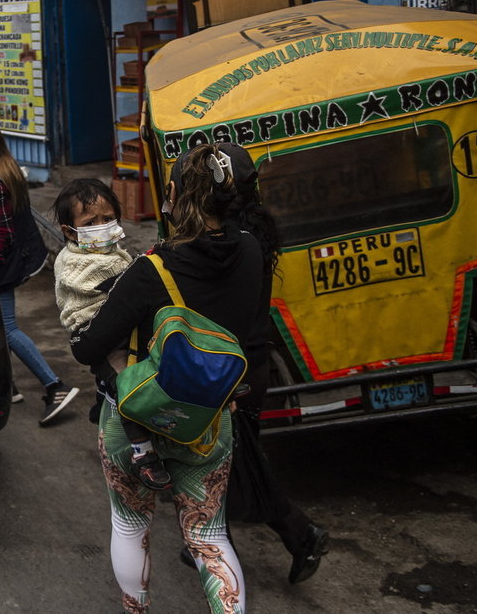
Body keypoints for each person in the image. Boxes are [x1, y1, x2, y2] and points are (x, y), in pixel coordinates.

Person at [71, 144, 258, 614]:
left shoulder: (152, 270)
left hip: (137, 418)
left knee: (131, 525)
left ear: (175, 195)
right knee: (209, 535)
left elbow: (89, 349)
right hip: (212, 419)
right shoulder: (252, 252)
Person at [214, 141, 330, 584]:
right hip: (251, 362)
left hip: (233, 369)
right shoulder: (255, 229)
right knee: (230, 460)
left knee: (239, 463)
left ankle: (302, 533)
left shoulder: (230, 242)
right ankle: (208, 536)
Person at [0, 114, 79, 425]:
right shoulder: (3, 171)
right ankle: (7, 387)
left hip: (6, 264)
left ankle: (55, 386)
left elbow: (3, 233)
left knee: (6, 329)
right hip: (12, 261)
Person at [51, 178, 170, 488]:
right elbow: (91, 289)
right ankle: (142, 451)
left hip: (126, 331)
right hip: (96, 332)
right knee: (126, 385)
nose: (102, 226)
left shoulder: (114, 253)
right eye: (91, 222)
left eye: (108, 219)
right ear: (69, 231)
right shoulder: (75, 262)